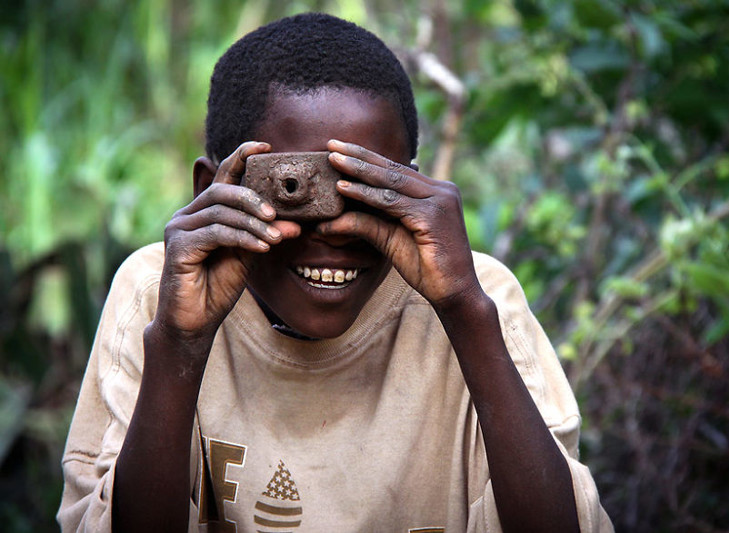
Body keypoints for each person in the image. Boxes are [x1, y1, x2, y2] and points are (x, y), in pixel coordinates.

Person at [58, 12, 612, 533]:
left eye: (365, 194)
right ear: (212, 190)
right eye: (293, 188)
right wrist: (181, 345)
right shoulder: (160, 294)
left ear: (411, 190)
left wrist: (464, 311)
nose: (334, 229)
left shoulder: (475, 297)